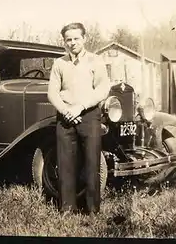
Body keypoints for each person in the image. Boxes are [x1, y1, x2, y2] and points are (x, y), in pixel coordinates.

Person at [47, 22, 111, 214]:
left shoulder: (96, 61)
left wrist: (80, 107)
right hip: (65, 118)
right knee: (65, 165)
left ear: (84, 39)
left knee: (92, 164)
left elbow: (103, 89)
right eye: (69, 39)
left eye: (76, 38)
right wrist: (65, 110)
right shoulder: (59, 63)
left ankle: (93, 210)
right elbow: (52, 92)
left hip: (89, 116)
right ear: (64, 42)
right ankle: (67, 209)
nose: (72, 42)